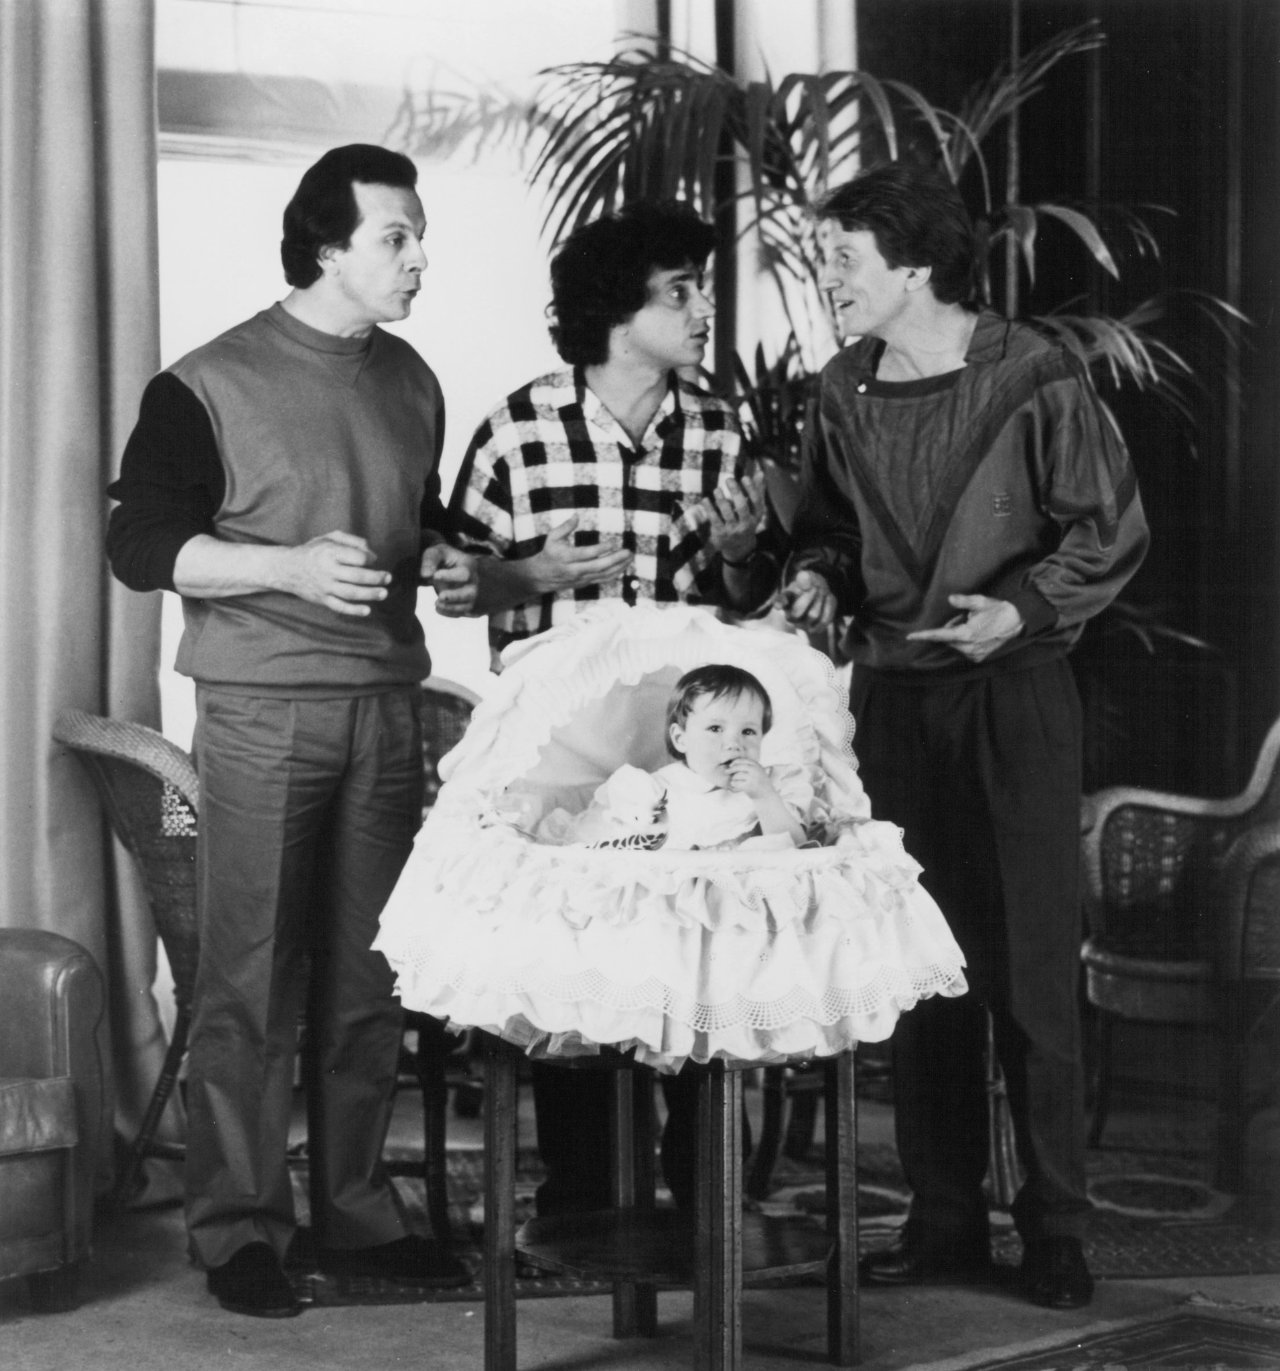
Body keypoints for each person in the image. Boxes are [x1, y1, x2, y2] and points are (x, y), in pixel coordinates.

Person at [105, 144, 477, 1318]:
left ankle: (359, 1213)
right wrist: (285, 568)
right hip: (261, 712)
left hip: (385, 708)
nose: (418, 259)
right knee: (252, 980)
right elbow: (138, 547)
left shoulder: (412, 381)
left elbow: (415, 521)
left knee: (370, 978)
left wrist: (456, 559)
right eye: (395, 237)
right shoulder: (205, 383)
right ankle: (239, 1229)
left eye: (418, 236)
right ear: (325, 247)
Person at [781, 163, 1150, 1311]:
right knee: (919, 972)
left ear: (913, 266)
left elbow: (1107, 528)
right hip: (891, 704)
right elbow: (827, 528)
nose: (825, 278)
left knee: (1030, 975)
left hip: (1013, 699)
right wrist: (815, 575)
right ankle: (940, 1218)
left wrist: (1023, 610)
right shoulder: (839, 388)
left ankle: (1054, 1231)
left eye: (842, 258)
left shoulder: (1033, 372)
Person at [447, 199, 774, 1215]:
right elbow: (457, 586)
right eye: (680, 292)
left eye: (700, 289)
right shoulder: (516, 433)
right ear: (616, 311)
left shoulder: (719, 431)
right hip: (562, 756)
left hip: (685, 755)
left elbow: (745, 603)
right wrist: (529, 574)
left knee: (697, 954)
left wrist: (737, 553)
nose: (703, 309)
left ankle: (705, 1183)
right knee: (576, 960)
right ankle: (582, 1187)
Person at [542, 664, 810, 851]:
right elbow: (610, 852)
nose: (734, 744)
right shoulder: (654, 791)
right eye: (715, 729)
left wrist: (765, 797)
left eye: (748, 731)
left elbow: (798, 854)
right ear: (681, 739)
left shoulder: (771, 786)